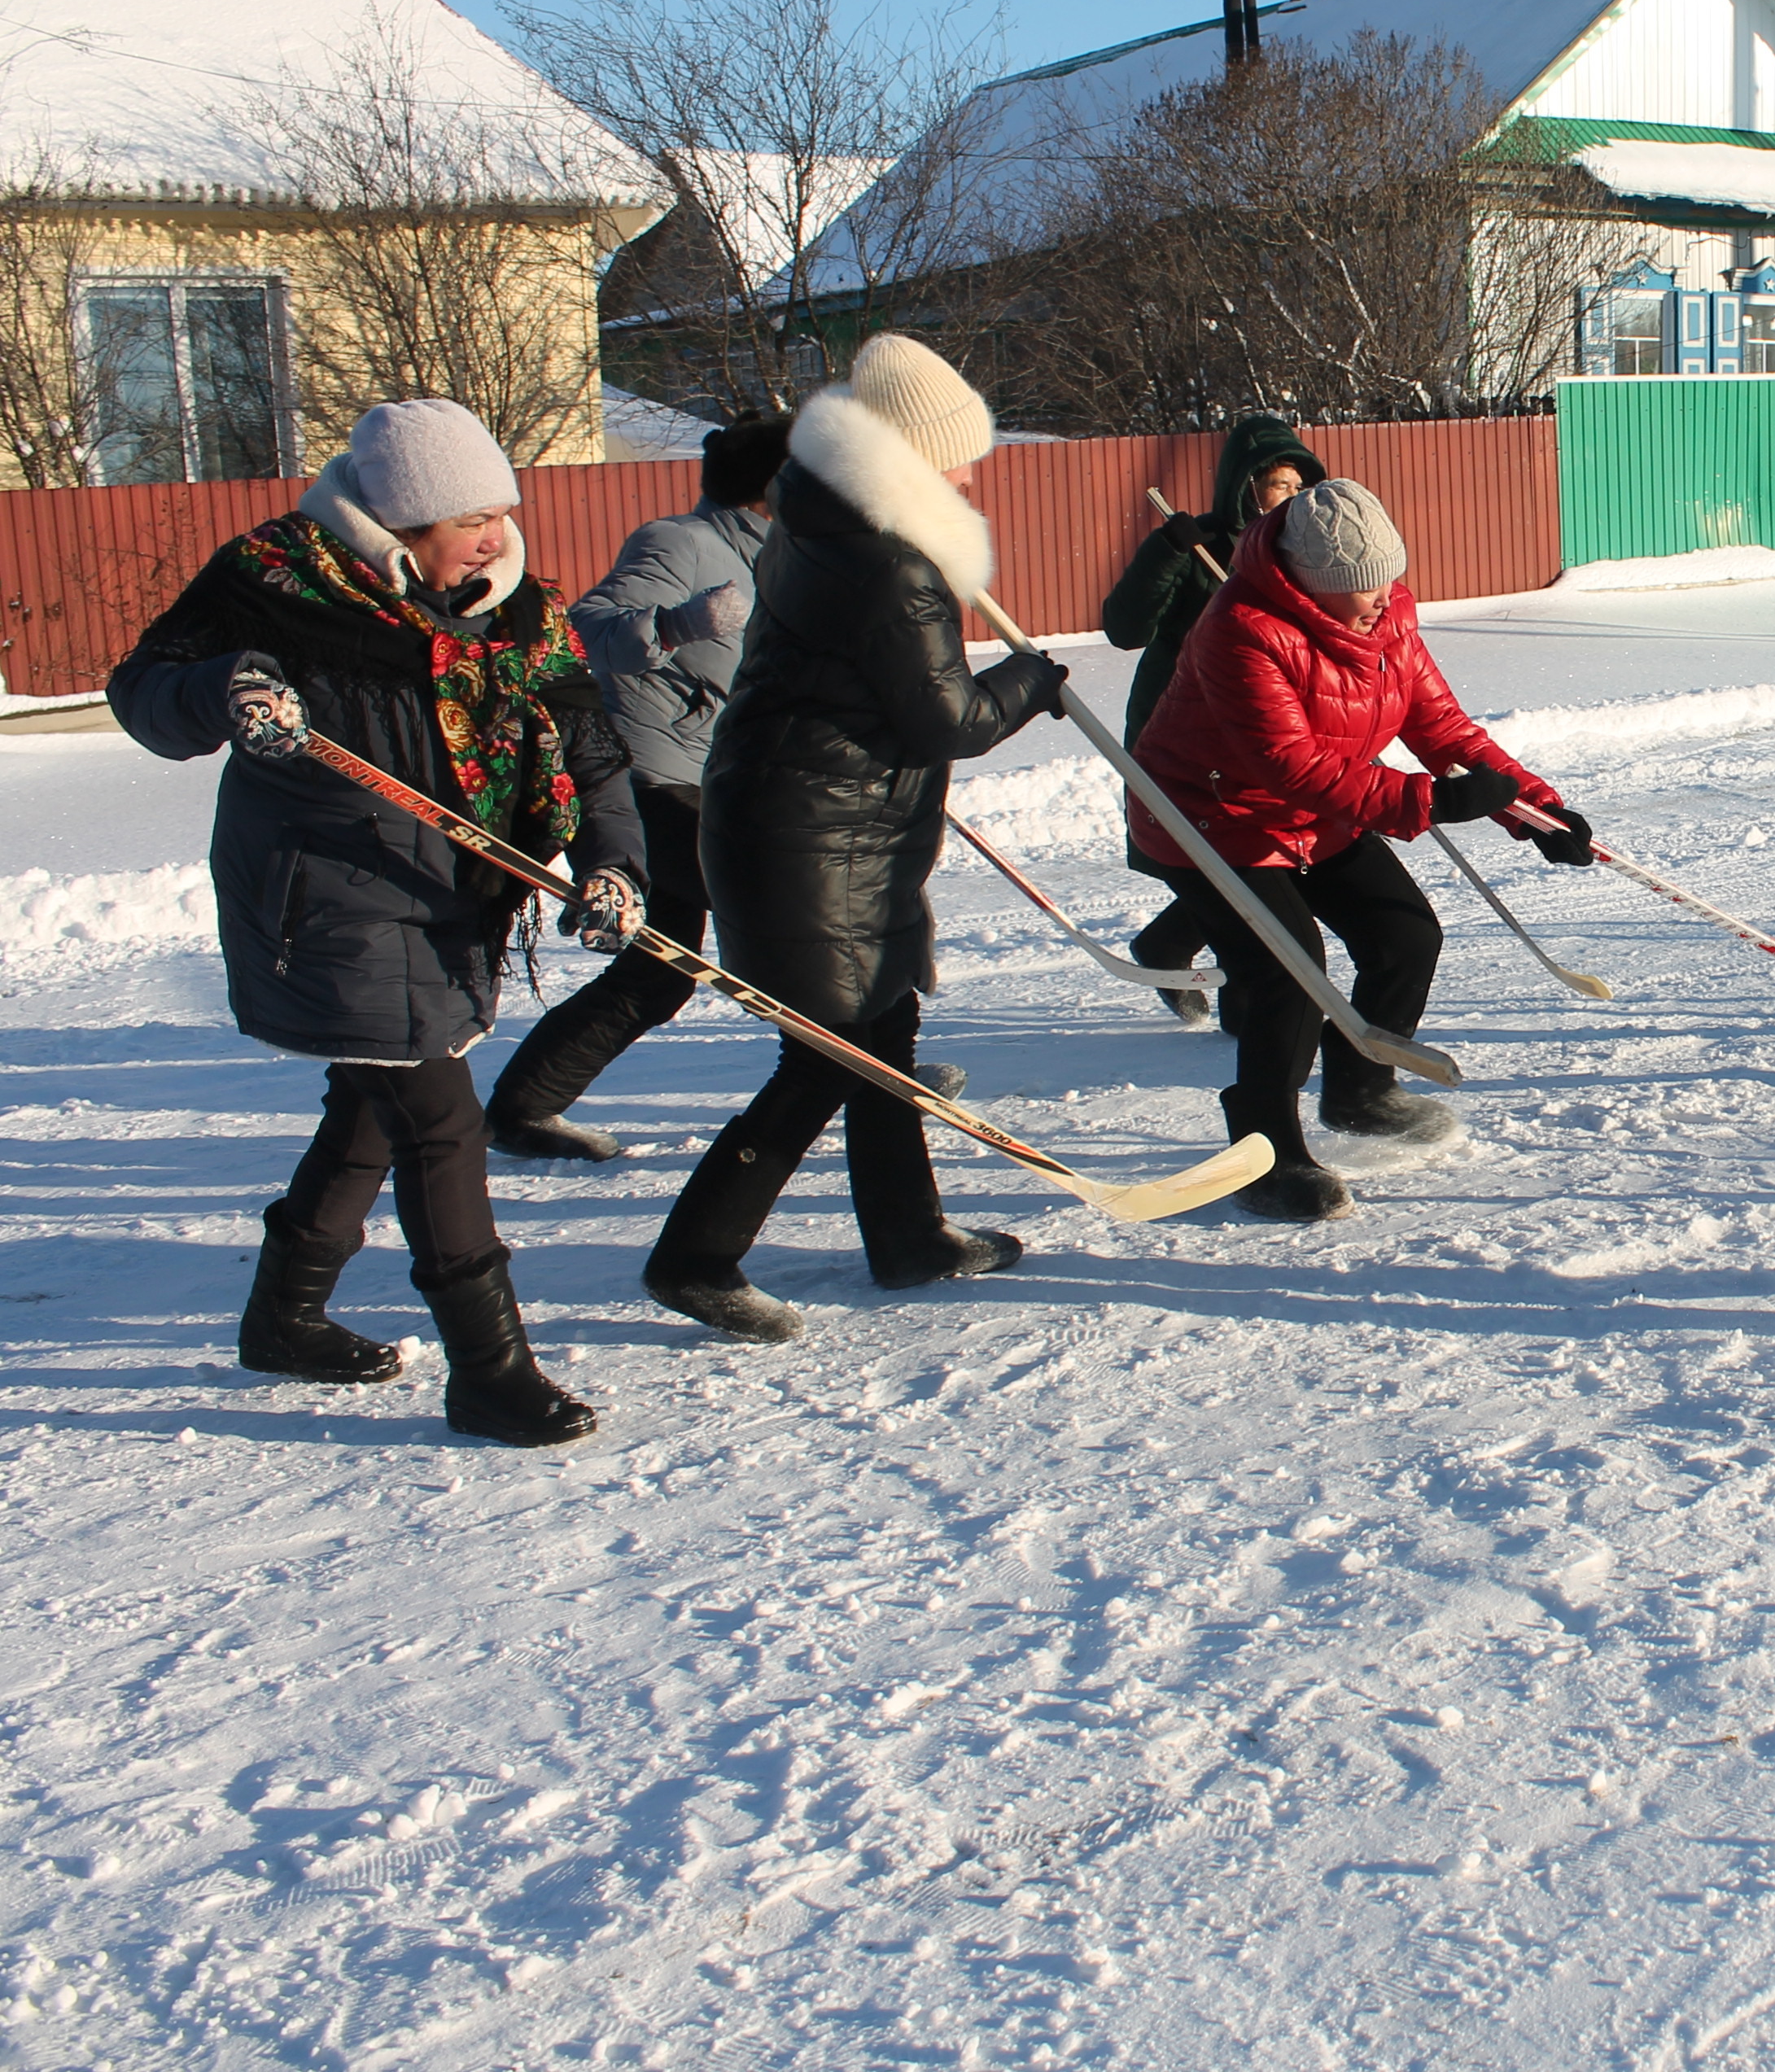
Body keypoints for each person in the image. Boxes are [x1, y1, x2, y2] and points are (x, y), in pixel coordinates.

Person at [107, 397, 643, 1445]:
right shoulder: (276, 583)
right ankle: (490, 1372)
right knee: (438, 1120)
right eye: (466, 518)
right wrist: (229, 688)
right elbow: (144, 692)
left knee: (373, 1102)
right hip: (325, 892)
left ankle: (284, 1317)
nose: (493, 535)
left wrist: (615, 863)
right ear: (399, 526)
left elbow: (585, 740)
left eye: (499, 510)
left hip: (453, 898)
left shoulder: (517, 608)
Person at [638, 336, 1069, 1343]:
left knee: (884, 1036)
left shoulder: (825, 516)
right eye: (955, 458)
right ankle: (694, 1258)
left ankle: (910, 1239)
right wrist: (1032, 680)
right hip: (806, 840)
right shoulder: (886, 559)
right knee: (829, 1058)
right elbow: (946, 720)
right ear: (908, 460)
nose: (970, 477)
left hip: (820, 826)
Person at [1133, 479, 1593, 1223]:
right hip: (1214, 818)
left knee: (1405, 934)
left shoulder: (1390, 614)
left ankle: (1362, 1089)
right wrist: (1431, 802)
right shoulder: (1241, 630)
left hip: (1321, 814)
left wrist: (1534, 811)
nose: (1384, 597)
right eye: (1361, 587)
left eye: (1387, 578)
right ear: (1310, 589)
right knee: (1290, 971)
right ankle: (1266, 1150)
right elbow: (1293, 767)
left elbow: (1439, 723)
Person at [480, 413, 786, 1161]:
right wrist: (683, 622)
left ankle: (522, 1109)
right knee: (783, 915)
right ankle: (869, 1067)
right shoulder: (682, 542)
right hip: (647, 779)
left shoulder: (786, 558)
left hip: (705, 774)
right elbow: (588, 626)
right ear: (774, 484)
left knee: (659, 972)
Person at [1102, 413, 1324, 1017]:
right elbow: (1125, 630)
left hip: (1267, 728)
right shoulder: (1198, 547)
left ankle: (1168, 943)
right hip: (1183, 730)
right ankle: (1249, 1005)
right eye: (1281, 484)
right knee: (1225, 857)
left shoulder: (1302, 554)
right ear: (1245, 485)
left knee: (1282, 853)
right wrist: (1165, 555)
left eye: (1303, 486)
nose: (1295, 499)